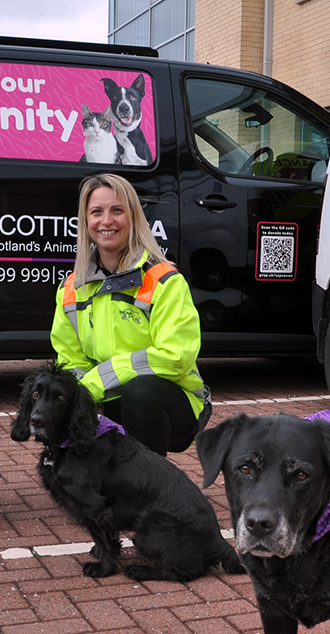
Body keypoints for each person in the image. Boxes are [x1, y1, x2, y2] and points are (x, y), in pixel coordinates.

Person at [50, 173, 211, 457]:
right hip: (106, 398)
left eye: (117, 210)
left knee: (140, 393)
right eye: (96, 212)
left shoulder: (164, 280)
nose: (106, 221)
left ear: (133, 217)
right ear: (86, 222)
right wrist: (84, 400)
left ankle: (149, 489)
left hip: (170, 403)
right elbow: (69, 359)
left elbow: (175, 356)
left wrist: (96, 383)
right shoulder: (70, 289)